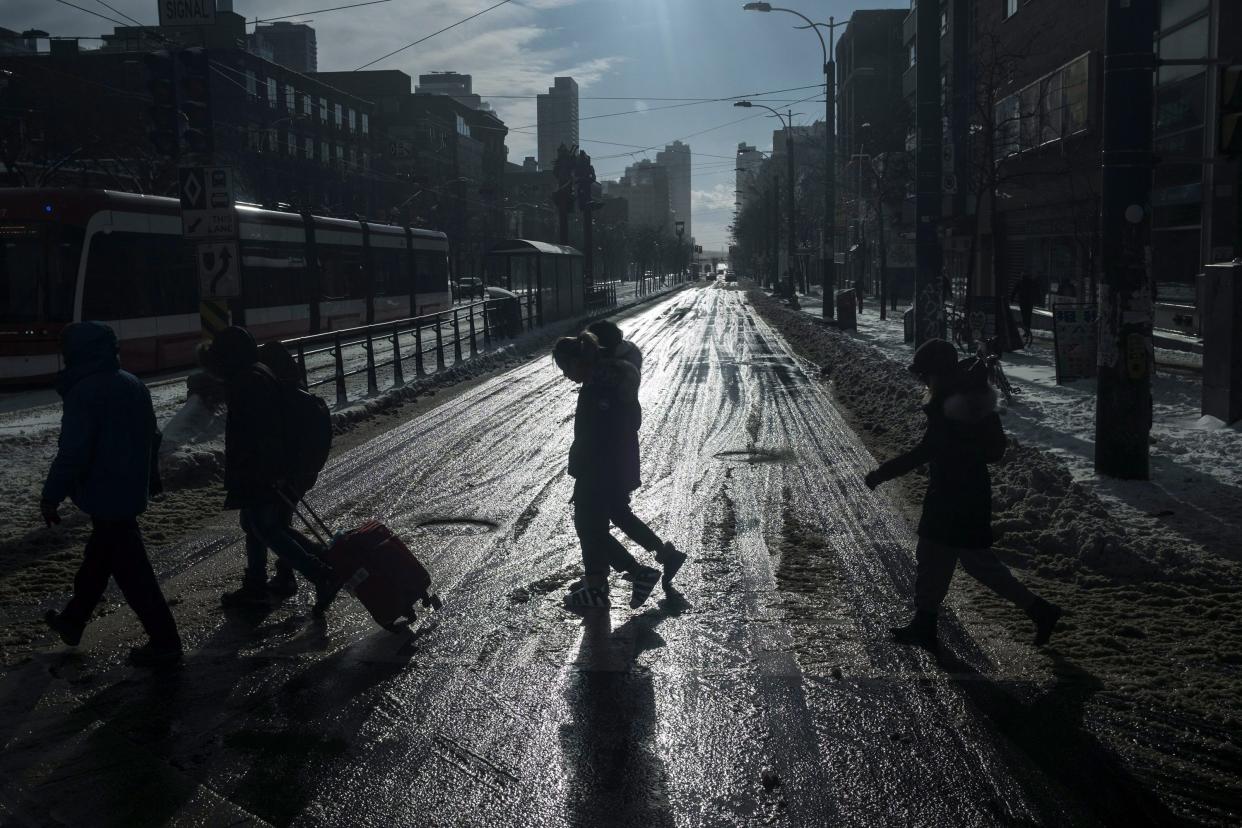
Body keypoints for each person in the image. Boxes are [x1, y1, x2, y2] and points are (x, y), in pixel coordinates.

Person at [863, 338, 1061, 649]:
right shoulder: (969, 399)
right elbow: (991, 450)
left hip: (952, 496)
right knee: (964, 562)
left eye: (925, 374)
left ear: (937, 373)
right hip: (968, 493)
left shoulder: (952, 407)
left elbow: (923, 452)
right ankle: (1038, 611)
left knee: (940, 558)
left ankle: (927, 624)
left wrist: (880, 474)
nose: (922, 380)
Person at [40, 322, 183, 668]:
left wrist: (51, 495)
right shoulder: (132, 383)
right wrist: (151, 478)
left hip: (103, 490)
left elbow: (73, 451)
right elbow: (153, 437)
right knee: (100, 558)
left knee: (134, 575)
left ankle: (165, 642)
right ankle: (73, 621)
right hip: (128, 487)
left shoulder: (85, 391)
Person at [198, 326, 339, 616]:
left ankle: (320, 572)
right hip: (262, 469)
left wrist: (269, 471)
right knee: (257, 526)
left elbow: (262, 433)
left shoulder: (248, 383)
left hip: (261, 471)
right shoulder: (255, 374)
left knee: (265, 528)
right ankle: (259, 585)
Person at [553, 332, 685, 609]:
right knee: (611, 517)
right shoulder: (605, 381)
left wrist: (586, 468)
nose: (565, 375)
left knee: (589, 527)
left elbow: (597, 434)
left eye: (566, 368)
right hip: (613, 464)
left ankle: (627, 576)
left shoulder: (601, 389)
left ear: (580, 361)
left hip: (600, 468)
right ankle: (654, 560)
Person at [1010, 272, 1038, 347]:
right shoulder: (1031, 282)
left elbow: (1014, 291)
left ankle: (1026, 330)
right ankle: (1027, 330)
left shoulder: (1021, 282)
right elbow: (1036, 291)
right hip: (1029, 302)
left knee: (1024, 316)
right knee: (1028, 317)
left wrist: (1012, 299)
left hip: (1023, 302)